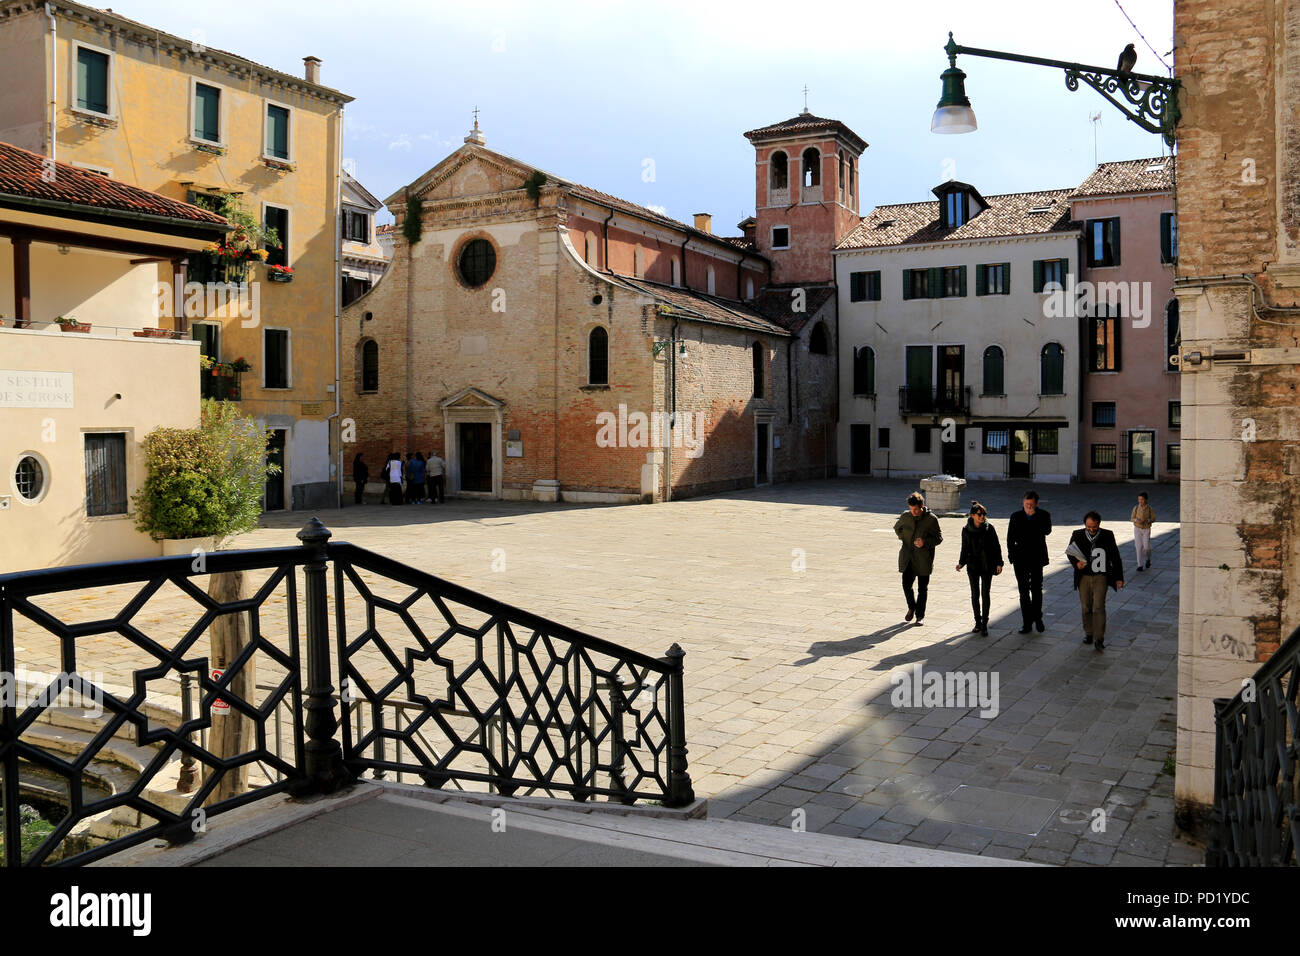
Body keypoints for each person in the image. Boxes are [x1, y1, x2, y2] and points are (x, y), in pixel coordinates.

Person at [1067, 511, 1125, 651]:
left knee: (1099, 606)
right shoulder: (1078, 534)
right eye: (1088, 526)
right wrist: (1076, 563)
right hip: (1084, 576)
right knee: (1086, 606)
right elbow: (1070, 552)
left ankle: (1099, 638)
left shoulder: (1107, 535)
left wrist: (1119, 578)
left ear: (1099, 524)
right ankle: (1089, 632)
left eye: (1094, 527)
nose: (1091, 529)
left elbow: (1115, 557)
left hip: (1101, 576)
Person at [1006, 490, 1052, 634]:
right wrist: (1012, 556)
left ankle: (1037, 617)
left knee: (1037, 589)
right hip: (1020, 559)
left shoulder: (1044, 515)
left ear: (1036, 504)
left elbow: (1047, 531)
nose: (1029, 507)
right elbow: (1010, 538)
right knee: (1023, 592)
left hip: (1037, 558)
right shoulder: (1016, 516)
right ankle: (1027, 623)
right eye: (1026, 504)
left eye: (1031, 505)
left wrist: (1034, 518)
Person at [956, 501, 1004, 636]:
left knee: (985, 594)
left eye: (984, 514)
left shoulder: (990, 528)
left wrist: (999, 563)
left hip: (987, 565)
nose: (982, 517)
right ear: (972, 515)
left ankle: (984, 624)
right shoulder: (966, 530)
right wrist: (961, 563)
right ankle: (977, 622)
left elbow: (996, 547)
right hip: (972, 566)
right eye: (979, 514)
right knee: (975, 594)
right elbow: (964, 548)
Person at [894, 491, 942, 625]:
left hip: (924, 559)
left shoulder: (931, 519)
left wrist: (924, 542)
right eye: (911, 509)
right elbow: (897, 528)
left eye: (916, 509)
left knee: (922, 588)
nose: (913, 512)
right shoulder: (905, 516)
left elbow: (938, 538)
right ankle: (912, 607)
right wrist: (904, 538)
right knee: (906, 584)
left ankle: (920, 616)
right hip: (908, 557)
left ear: (922, 505)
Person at [1131, 492, 1155, 572]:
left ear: (1146, 500)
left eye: (1142, 499)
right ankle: (1140, 565)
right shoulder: (1136, 508)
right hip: (1137, 528)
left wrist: (1148, 520)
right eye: (1139, 499)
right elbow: (1132, 518)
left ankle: (1148, 558)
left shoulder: (1149, 509)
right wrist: (1137, 520)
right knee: (1138, 547)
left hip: (1146, 529)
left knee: (1146, 546)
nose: (1140, 501)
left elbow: (1153, 518)